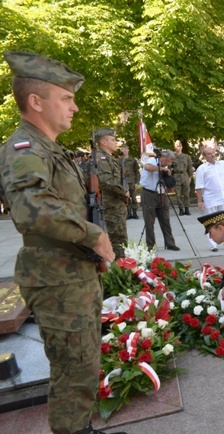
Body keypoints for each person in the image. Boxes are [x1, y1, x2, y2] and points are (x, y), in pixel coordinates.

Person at [0, 51, 116, 434]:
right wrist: (93, 234)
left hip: (71, 275)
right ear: (36, 101)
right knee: (73, 372)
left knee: (81, 367)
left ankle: (80, 428)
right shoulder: (25, 149)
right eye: (65, 98)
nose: (75, 106)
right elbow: (32, 206)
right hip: (57, 280)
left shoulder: (48, 148)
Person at [195, 146, 224, 251]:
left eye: (213, 152)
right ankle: (213, 245)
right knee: (211, 222)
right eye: (209, 153)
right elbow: (199, 187)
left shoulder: (223, 164)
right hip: (210, 199)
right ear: (204, 156)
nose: (212, 155)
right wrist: (199, 201)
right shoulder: (202, 169)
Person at [93, 128, 128, 259]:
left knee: (120, 239)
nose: (116, 142)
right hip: (111, 205)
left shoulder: (109, 158)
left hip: (116, 205)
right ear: (103, 142)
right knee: (118, 240)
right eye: (113, 140)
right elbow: (106, 181)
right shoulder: (101, 158)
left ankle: (122, 266)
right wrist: (124, 191)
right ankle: (120, 268)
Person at [140, 148, 181, 251]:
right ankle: (151, 246)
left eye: (170, 161)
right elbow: (147, 167)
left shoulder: (165, 165)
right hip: (149, 193)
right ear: (162, 157)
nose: (168, 163)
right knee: (149, 222)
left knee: (166, 220)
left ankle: (170, 243)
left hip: (162, 194)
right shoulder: (152, 161)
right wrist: (162, 169)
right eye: (168, 160)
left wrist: (169, 182)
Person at [172, 140, 194, 215]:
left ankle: (187, 209)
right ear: (175, 147)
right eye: (177, 146)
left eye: (180, 146)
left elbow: (190, 167)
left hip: (185, 176)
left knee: (186, 194)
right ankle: (181, 209)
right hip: (176, 176)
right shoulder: (172, 156)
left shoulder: (186, 157)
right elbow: (169, 168)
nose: (178, 147)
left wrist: (190, 176)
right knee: (178, 195)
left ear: (182, 147)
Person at [121, 144, 141, 219]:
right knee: (126, 197)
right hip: (123, 182)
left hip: (132, 182)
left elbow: (137, 172)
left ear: (128, 150)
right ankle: (128, 213)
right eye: (123, 149)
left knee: (134, 197)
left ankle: (135, 213)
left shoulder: (133, 160)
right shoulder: (119, 161)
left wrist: (136, 182)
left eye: (126, 149)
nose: (124, 150)